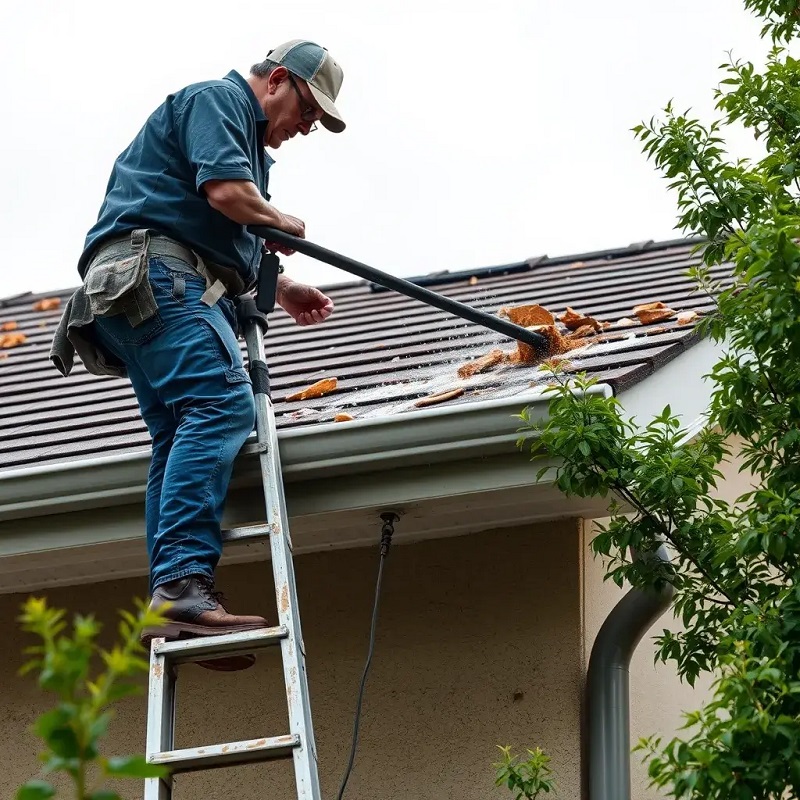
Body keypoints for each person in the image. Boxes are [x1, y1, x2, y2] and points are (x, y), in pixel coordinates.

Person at [50, 40, 345, 669]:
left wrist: (283, 286)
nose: (305, 127)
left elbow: (228, 232)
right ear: (279, 81)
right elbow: (226, 196)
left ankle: (169, 597)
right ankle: (184, 586)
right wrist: (282, 220)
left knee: (177, 433)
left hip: (140, 287)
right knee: (220, 406)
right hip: (159, 277)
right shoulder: (218, 101)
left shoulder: (245, 147)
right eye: (307, 111)